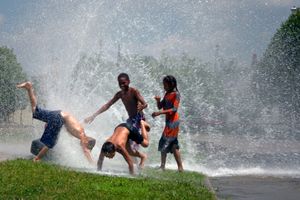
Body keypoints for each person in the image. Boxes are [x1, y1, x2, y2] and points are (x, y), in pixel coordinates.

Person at [17, 81, 94, 163]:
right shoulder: (82, 136)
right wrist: (93, 165)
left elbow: (68, 125)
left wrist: (50, 124)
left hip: (58, 114)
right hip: (58, 118)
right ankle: (37, 159)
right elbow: (85, 151)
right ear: (87, 141)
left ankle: (29, 88)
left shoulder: (80, 130)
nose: (83, 146)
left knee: (35, 110)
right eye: (87, 146)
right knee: (50, 144)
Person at [84, 73, 148, 166]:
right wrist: (93, 116)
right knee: (128, 146)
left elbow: (145, 103)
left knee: (133, 144)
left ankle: (138, 160)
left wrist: (142, 107)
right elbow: (107, 105)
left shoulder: (133, 91)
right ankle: (136, 162)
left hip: (139, 119)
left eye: (124, 82)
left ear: (129, 82)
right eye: (120, 83)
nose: (122, 85)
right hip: (130, 120)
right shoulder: (120, 94)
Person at [152, 75, 183, 172]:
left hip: (173, 122)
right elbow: (160, 107)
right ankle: (180, 168)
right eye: (163, 85)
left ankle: (162, 166)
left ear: (172, 84)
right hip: (169, 122)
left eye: (165, 85)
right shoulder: (167, 94)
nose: (164, 87)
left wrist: (159, 113)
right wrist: (158, 101)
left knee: (164, 142)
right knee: (173, 145)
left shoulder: (176, 94)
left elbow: (174, 109)